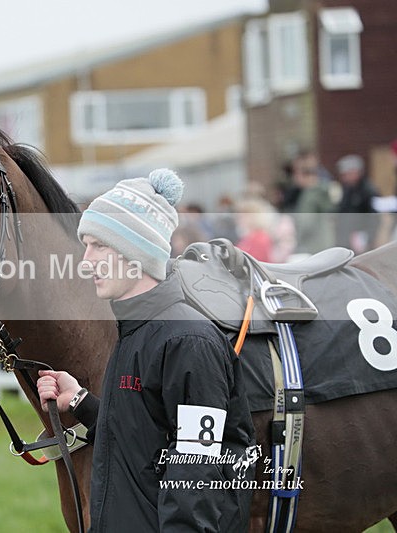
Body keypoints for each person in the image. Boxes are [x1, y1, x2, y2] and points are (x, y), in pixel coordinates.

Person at [36, 169, 256, 532]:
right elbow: (143, 437)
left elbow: (195, 474)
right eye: (86, 245)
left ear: (136, 253)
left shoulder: (187, 342)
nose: (86, 260)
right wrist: (80, 401)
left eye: (99, 245)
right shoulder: (134, 330)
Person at [289, 151, 336, 255]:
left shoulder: (310, 195)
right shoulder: (324, 190)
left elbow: (305, 222)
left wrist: (297, 240)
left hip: (312, 247)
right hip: (326, 243)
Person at [334, 154, 379, 254]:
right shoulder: (347, 190)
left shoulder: (368, 191)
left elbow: (374, 217)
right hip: (346, 237)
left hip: (360, 238)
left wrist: (367, 237)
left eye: (347, 174)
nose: (344, 178)